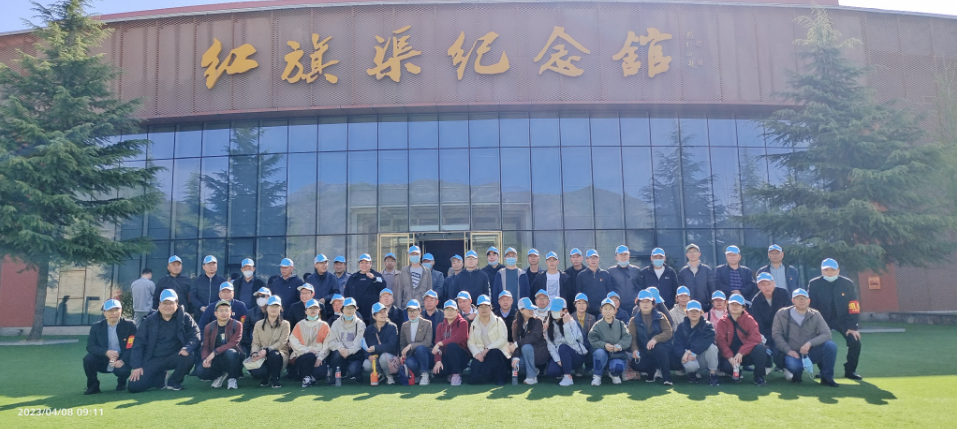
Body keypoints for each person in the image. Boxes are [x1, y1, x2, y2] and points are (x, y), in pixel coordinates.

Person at [128, 290, 200, 393]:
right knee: (134, 387)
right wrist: (137, 366)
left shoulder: (185, 317)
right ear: (159, 304)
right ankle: (160, 378)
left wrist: (187, 348)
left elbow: (195, 334)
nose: (167, 306)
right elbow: (138, 343)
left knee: (188, 357)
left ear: (177, 303)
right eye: (164, 303)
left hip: (176, 356)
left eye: (171, 303)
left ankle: (174, 381)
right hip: (153, 358)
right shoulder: (149, 321)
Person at [807, 258, 863, 380]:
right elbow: (811, 306)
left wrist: (853, 327)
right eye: (826, 270)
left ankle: (850, 370)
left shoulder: (847, 284)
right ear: (822, 271)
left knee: (855, 342)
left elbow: (853, 305)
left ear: (838, 270)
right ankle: (823, 371)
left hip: (843, 320)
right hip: (821, 320)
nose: (829, 272)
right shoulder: (814, 284)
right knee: (821, 343)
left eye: (832, 270)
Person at [772, 289, 839, 387]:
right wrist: (788, 350)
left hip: (809, 352)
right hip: (791, 352)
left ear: (809, 301)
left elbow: (826, 334)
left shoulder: (815, 314)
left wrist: (809, 344)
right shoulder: (782, 313)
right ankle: (796, 374)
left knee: (830, 346)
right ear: (793, 301)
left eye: (804, 298)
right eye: (798, 298)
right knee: (794, 366)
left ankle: (827, 377)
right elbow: (776, 334)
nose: (801, 300)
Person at [83, 299, 136, 394]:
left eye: (116, 310)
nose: (114, 313)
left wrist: (123, 360)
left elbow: (131, 346)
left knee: (123, 371)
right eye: (110, 310)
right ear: (104, 312)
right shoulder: (96, 327)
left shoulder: (130, 325)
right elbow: (90, 346)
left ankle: (122, 382)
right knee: (88, 359)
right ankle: (93, 386)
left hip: (122, 358)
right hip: (103, 358)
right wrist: (106, 352)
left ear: (121, 310)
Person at [715, 294, 767, 386]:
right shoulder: (721, 322)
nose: (735, 307)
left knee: (760, 349)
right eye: (732, 304)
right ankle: (736, 372)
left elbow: (756, 339)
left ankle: (758, 376)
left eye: (738, 305)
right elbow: (721, 342)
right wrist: (730, 357)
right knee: (726, 366)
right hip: (730, 354)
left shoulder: (750, 320)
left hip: (746, 353)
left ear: (743, 308)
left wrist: (741, 352)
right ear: (728, 306)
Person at [628, 290, 673, 385]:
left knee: (659, 348)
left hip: (661, 350)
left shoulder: (661, 316)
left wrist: (655, 339)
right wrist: (634, 350)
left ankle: (667, 378)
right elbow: (633, 338)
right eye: (642, 301)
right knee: (636, 364)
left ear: (653, 304)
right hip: (644, 351)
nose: (645, 304)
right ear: (638, 304)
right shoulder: (633, 321)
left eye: (648, 301)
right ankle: (651, 372)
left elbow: (668, 332)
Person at [198, 300, 244, 389]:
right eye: (221, 310)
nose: (224, 313)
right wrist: (205, 359)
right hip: (216, 358)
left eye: (226, 310)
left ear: (230, 312)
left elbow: (233, 343)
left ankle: (232, 378)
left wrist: (214, 352)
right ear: (215, 313)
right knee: (201, 372)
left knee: (230, 352)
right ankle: (219, 375)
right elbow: (206, 346)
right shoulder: (209, 327)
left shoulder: (237, 325)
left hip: (234, 357)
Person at [673, 300, 720, 386]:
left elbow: (705, 342)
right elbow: (677, 345)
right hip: (688, 358)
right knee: (691, 366)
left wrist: (690, 351)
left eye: (696, 311)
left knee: (712, 348)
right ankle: (692, 374)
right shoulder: (681, 327)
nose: (694, 313)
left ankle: (713, 375)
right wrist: (684, 354)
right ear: (687, 313)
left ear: (701, 313)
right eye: (691, 311)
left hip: (702, 357)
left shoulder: (708, 326)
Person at [749, 272, 791, 370]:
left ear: (774, 283)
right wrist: (767, 340)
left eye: (769, 284)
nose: (766, 287)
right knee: (773, 349)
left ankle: (787, 366)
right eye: (763, 284)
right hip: (768, 333)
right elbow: (758, 324)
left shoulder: (783, 293)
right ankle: (768, 363)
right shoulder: (756, 301)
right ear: (758, 286)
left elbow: (790, 314)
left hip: (785, 330)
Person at [467, 295, 511, 385]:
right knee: (473, 380)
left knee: (494, 352)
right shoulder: (474, 324)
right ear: (477, 309)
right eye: (481, 307)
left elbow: (503, 339)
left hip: (498, 354)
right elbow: (471, 342)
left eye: (486, 307)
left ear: (490, 308)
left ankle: (501, 378)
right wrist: (477, 353)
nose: (484, 309)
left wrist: (487, 349)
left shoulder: (499, 321)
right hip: (481, 354)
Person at [247, 295, 289, 388]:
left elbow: (282, 342)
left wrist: (267, 350)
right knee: (257, 372)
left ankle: (275, 379)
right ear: (266, 308)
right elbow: (256, 343)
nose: (274, 309)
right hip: (262, 355)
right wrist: (254, 352)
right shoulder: (258, 324)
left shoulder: (285, 324)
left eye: (276, 306)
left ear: (280, 308)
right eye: (271, 306)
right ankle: (266, 376)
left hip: (279, 355)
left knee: (274, 354)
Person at [588, 298, 631, 386]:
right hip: (602, 353)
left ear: (614, 310)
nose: (607, 311)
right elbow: (592, 338)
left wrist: (620, 346)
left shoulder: (620, 324)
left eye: (610, 309)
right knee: (599, 353)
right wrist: (604, 345)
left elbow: (627, 337)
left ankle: (613, 374)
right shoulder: (597, 325)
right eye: (605, 309)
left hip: (616, 354)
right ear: (601, 310)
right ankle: (597, 376)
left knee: (618, 367)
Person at [544, 297, 588, 386]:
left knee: (563, 347)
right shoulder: (548, 325)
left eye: (558, 310)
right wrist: (557, 359)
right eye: (553, 310)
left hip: (576, 355)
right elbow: (550, 345)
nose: (554, 312)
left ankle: (568, 376)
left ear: (565, 311)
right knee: (553, 372)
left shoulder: (572, 323)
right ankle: (565, 370)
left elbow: (572, 342)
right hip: (560, 355)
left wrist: (566, 324)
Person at [288, 299, 331, 387]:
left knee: (320, 373)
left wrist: (320, 358)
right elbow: (293, 341)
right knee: (309, 356)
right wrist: (307, 350)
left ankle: (307, 377)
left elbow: (327, 344)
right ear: (306, 311)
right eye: (310, 308)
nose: (313, 310)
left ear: (319, 310)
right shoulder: (299, 325)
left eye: (315, 308)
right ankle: (306, 378)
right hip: (302, 356)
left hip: (317, 357)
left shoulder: (324, 325)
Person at [326, 297, 367, 383]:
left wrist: (349, 351)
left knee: (353, 370)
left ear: (355, 309)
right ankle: (335, 375)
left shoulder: (360, 324)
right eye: (347, 308)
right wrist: (341, 348)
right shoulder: (336, 323)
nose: (349, 310)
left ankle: (357, 373)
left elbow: (359, 343)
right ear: (342, 309)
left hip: (355, 354)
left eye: (352, 308)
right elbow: (331, 341)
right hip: (340, 353)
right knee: (336, 354)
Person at [510, 297, 549, 384]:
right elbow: (516, 339)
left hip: (540, 353)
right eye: (529, 309)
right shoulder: (515, 323)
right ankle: (535, 370)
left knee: (526, 347)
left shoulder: (537, 321)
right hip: (526, 354)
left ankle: (532, 377)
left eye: (532, 309)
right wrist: (515, 357)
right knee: (517, 363)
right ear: (521, 310)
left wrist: (516, 344)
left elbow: (533, 338)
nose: (532, 311)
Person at [432, 299, 471, 386]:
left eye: (452, 310)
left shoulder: (462, 323)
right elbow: (437, 345)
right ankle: (451, 373)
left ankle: (456, 374)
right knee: (438, 373)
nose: (449, 312)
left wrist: (441, 343)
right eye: (447, 309)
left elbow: (458, 338)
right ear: (444, 312)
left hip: (461, 356)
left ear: (457, 311)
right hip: (447, 356)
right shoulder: (440, 325)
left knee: (452, 346)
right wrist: (438, 361)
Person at [342, 253, 385, 325]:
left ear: (371, 264)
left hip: (372, 315)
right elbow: (346, 294)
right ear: (359, 264)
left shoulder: (377, 275)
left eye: (366, 263)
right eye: (362, 263)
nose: (364, 265)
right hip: (356, 314)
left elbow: (383, 286)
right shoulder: (353, 277)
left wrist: (374, 278)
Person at [364, 302, 400, 385]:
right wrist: (368, 356)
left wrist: (375, 348)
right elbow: (365, 345)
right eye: (380, 312)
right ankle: (380, 374)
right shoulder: (369, 329)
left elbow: (391, 346)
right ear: (374, 316)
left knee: (383, 358)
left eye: (384, 311)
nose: (383, 314)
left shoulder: (392, 327)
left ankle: (389, 375)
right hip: (376, 357)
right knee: (366, 364)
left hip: (389, 357)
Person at [399, 299, 434, 385]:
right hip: (412, 355)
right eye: (409, 311)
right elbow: (402, 343)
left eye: (414, 310)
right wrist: (403, 354)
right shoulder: (404, 325)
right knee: (409, 362)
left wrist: (411, 345)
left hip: (426, 355)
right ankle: (418, 375)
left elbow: (427, 342)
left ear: (419, 311)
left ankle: (425, 374)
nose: (412, 313)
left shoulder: (427, 323)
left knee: (420, 348)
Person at [677, 244, 717, 311]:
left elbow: (712, 288)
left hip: (705, 307)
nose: (692, 254)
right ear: (687, 255)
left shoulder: (707, 270)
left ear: (699, 254)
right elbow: (680, 290)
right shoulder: (683, 271)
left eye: (694, 251)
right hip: (688, 308)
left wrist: (711, 305)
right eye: (690, 252)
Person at [491, 247, 530, 312]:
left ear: (517, 258)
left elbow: (527, 293)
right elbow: (495, 293)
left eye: (513, 256)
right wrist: (498, 309)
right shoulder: (500, 273)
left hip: (519, 311)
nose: (511, 258)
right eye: (508, 256)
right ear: (505, 258)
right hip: (503, 311)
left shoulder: (522, 274)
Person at [189, 255, 227, 320]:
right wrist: (200, 307)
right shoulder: (197, 281)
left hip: (218, 315)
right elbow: (192, 296)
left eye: (214, 264)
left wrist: (216, 307)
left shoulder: (223, 281)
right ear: (203, 266)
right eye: (209, 264)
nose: (211, 266)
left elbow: (226, 297)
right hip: (200, 315)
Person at [576, 249, 612, 317]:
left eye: (595, 257)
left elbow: (609, 292)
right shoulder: (581, 275)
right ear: (586, 260)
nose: (593, 260)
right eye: (591, 258)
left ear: (598, 259)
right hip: (587, 311)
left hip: (603, 310)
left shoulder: (605, 274)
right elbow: (579, 293)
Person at [607, 245, 640, 316]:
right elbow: (609, 288)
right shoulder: (611, 271)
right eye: (621, 254)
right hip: (618, 307)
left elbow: (640, 287)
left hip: (634, 305)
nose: (623, 256)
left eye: (625, 254)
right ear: (616, 257)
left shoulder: (636, 270)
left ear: (629, 256)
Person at [570, 293, 596, 376]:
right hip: (575, 343)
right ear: (575, 305)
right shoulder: (570, 317)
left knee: (593, 347)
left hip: (588, 343)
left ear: (587, 305)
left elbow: (593, 334)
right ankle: (578, 366)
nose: (581, 305)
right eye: (579, 303)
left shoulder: (592, 318)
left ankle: (589, 366)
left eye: (584, 303)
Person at [242, 287, 272, 355]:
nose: (260, 298)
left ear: (269, 297)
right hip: (254, 345)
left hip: (271, 347)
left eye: (263, 296)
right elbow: (245, 330)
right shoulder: (251, 312)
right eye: (258, 296)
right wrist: (250, 345)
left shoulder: (275, 312)